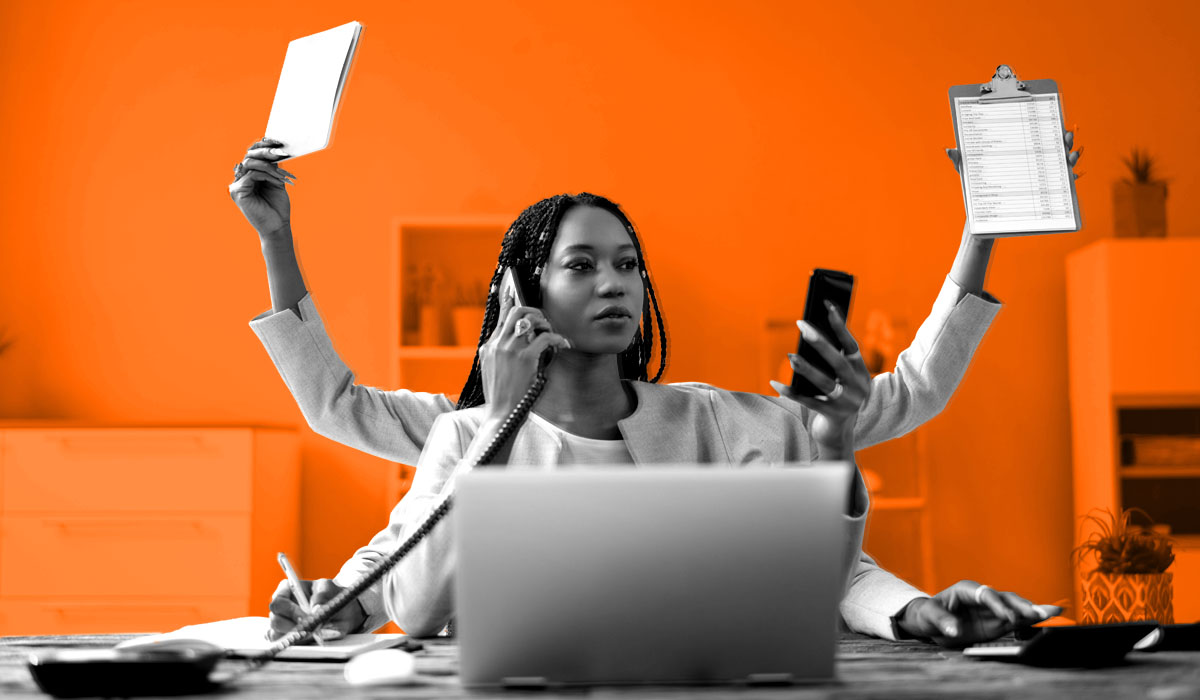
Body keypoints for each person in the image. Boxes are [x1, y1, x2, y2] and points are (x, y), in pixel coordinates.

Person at [229, 134, 1081, 647]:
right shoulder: (464, 428)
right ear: (522, 294)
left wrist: (981, 234)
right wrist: (339, 602)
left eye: (629, 265)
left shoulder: (718, 421)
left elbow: (900, 412)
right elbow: (397, 534)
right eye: (582, 265)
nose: (615, 285)